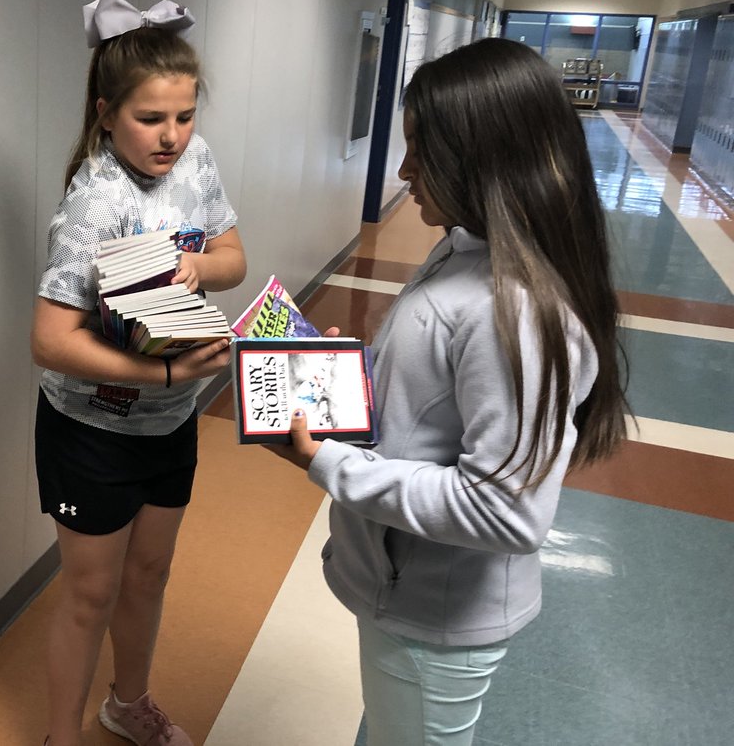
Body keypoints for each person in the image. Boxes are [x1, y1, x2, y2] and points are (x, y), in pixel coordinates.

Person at [264, 37, 628, 745]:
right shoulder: (465, 247)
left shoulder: (514, 310)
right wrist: (353, 375)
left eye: (421, 154)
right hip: (408, 595)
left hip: (436, 616)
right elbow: (437, 395)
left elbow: (506, 513)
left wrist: (328, 462)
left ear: (482, 163)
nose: (404, 171)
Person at [31, 0, 247, 746]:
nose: (172, 137)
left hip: (170, 422)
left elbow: (233, 258)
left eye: (184, 117)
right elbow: (51, 342)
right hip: (92, 429)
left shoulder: (199, 162)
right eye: (151, 120)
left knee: (150, 575)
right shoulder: (93, 204)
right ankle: (62, 736)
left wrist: (194, 266)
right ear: (105, 113)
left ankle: (128, 704)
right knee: (89, 595)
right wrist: (162, 377)